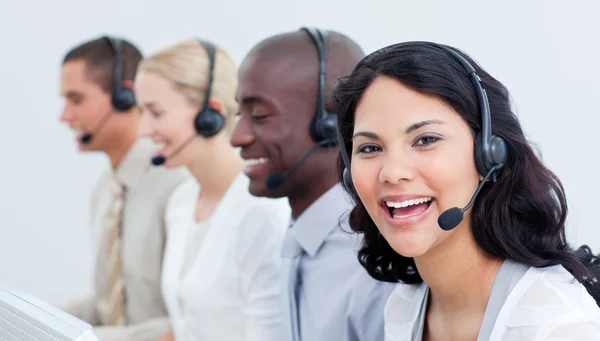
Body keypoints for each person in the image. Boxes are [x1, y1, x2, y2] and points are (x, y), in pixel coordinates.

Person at [333, 41, 600, 340]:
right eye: (370, 147)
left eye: (425, 140)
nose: (392, 173)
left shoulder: (553, 323)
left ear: (489, 155)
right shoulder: (405, 305)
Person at [230, 27, 396, 341]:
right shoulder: (302, 236)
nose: (237, 136)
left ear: (329, 124)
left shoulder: (372, 260)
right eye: (240, 113)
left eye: (260, 115)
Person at [135, 38, 291, 341]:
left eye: (155, 112)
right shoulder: (181, 201)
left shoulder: (261, 212)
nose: (142, 130)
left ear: (210, 115)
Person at [58, 36, 190, 341]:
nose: (64, 116)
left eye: (75, 99)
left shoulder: (177, 184)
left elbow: (187, 321)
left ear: (124, 97)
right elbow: (110, 306)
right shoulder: (104, 190)